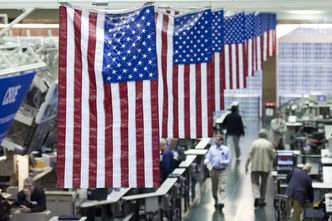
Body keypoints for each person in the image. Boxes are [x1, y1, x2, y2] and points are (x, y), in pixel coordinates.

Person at [245, 128, 275, 207]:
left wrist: (246, 165)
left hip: (255, 166)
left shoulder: (254, 143)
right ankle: (262, 199)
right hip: (266, 167)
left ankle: (256, 196)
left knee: (254, 182)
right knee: (264, 183)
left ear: (258, 135)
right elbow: (273, 155)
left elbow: (249, 155)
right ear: (266, 135)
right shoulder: (269, 144)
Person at [204, 133, 231, 212]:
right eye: (215, 139)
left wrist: (224, 162)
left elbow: (229, 160)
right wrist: (206, 162)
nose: (216, 141)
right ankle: (216, 199)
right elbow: (208, 157)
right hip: (214, 170)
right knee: (214, 188)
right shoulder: (212, 149)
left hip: (222, 170)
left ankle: (221, 202)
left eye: (218, 140)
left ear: (221, 141)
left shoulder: (226, 149)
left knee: (222, 187)